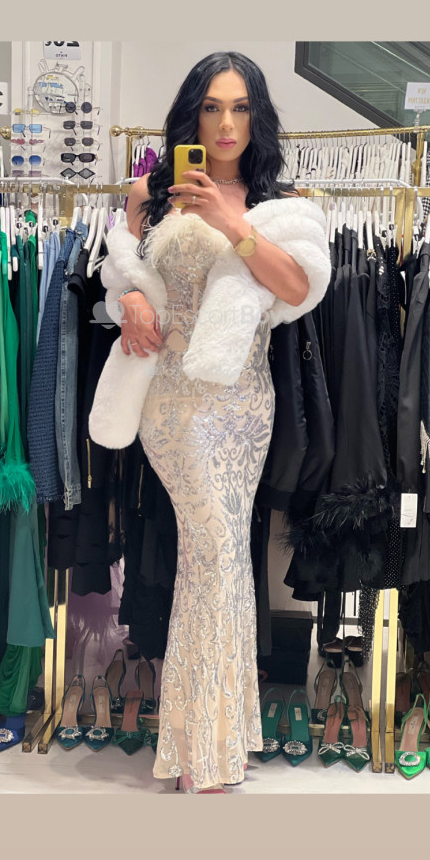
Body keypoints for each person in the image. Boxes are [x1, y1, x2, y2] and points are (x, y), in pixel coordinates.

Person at [102, 51, 330, 792]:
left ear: (257, 116)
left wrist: (233, 223)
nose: (225, 123)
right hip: (173, 402)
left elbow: (297, 288)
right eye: (210, 107)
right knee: (216, 552)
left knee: (223, 557)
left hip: (243, 401)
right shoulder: (149, 194)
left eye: (239, 107)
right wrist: (131, 300)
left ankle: (208, 742)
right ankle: (209, 745)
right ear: (190, 115)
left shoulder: (279, 203)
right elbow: (123, 273)